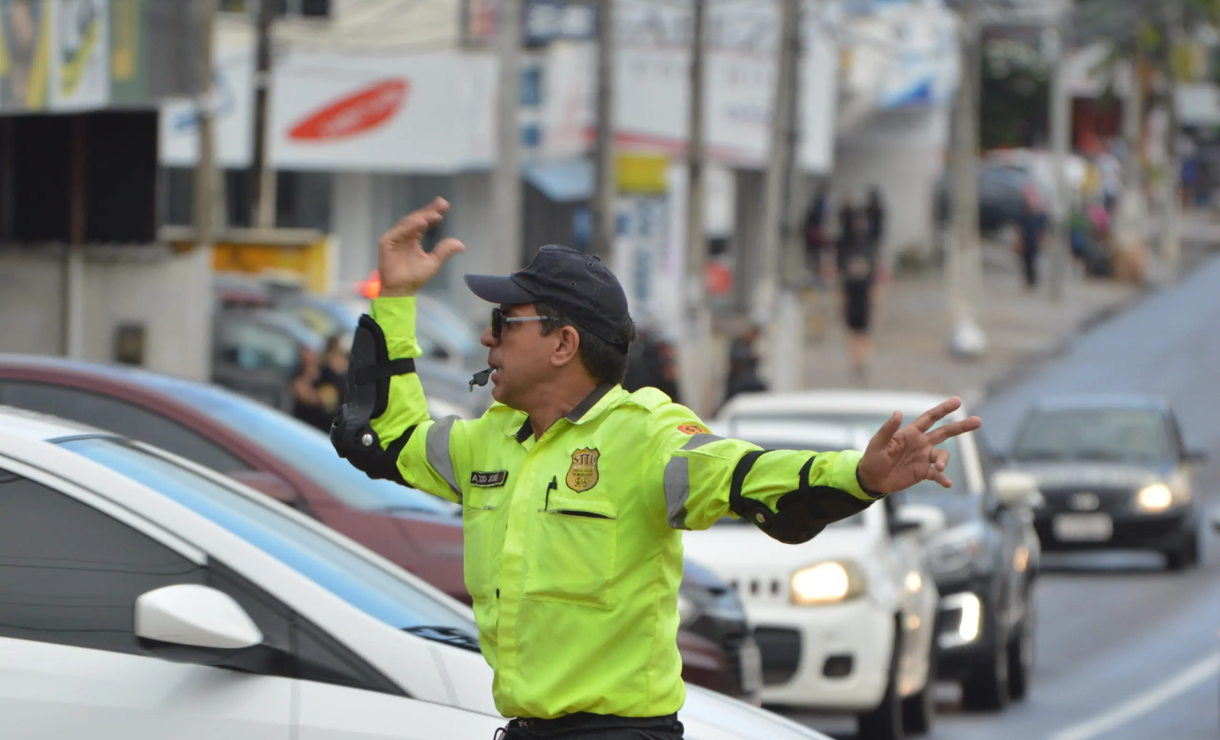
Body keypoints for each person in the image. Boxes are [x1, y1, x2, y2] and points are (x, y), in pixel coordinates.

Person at [331, 197, 981, 740]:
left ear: (564, 344)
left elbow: (748, 477)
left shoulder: (645, 436)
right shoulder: (489, 442)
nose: (486, 339)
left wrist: (857, 477)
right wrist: (396, 297)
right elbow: (380, 436)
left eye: (505, 322)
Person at [840, 208, 878, 382]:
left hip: (860, 307)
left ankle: (860, 361)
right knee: (859, 336)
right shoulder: (855, 245)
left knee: (860, 336)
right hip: (859, 307)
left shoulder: (865, 246)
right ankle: (859, 361)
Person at [291, 333, 349, 432]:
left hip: (315, 432)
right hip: (298, 424)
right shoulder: (321, 370)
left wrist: (309, 374)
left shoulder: (339, 381)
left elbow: (308, 396)